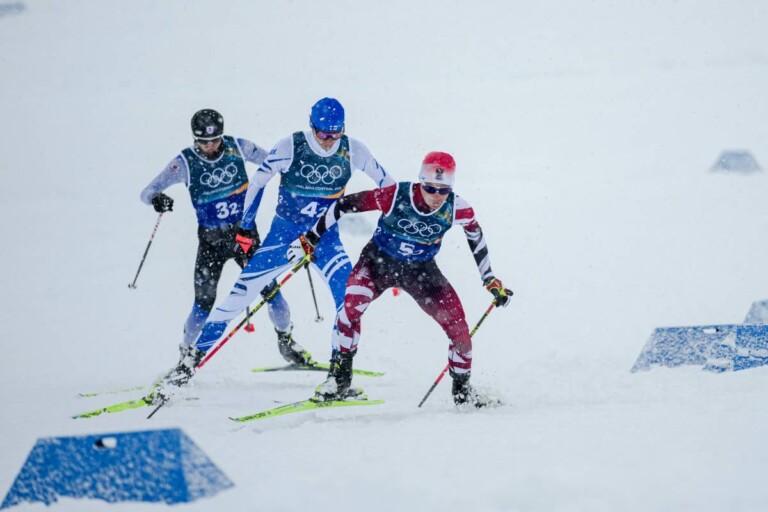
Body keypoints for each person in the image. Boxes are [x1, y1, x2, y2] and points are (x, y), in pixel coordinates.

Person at [153, 98, 396, 400]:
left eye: (335, 134)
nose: (328, 141)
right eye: (322, 134)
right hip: (282, 237)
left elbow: (389, 188)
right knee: (236, 299)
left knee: (348, 300)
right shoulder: (289, 146)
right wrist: (245, 227)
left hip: (327, 240)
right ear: (312, 126)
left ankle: (338, 377)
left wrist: (391, 232)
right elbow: (257, 184)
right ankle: (188, 365)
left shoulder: (354, 149)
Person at [286, 151, 513, 407]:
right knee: (350, 309)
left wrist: (489, 278)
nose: (436, 196)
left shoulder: (457, 208)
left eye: (444, 190)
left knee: (460, 332)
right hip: (377, 263)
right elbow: (342, 206)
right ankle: (339, 381)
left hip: (421, 272)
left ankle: (462, 394)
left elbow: (476, 237)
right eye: (430, 188)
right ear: (420, 182)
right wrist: (311, 239)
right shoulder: (394, 195)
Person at [140, 109, 308, 382]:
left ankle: (287, 342)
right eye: (203, 142)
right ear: (194, 139)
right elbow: (147, 193)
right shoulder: (183, 162)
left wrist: (296, 184)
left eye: (215, 140)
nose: (210, 146)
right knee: (203, 304)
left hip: (245, 237)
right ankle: (185, 355)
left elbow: (274, 163)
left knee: (272, 291)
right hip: (211, 243)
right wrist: (157, 199)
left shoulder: (238, 147)